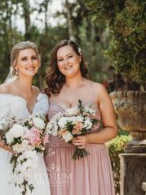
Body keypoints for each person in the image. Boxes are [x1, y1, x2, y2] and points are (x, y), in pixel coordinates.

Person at [0, 41, 51, 195]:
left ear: (39, 62)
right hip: (6, 160)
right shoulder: (4, 90)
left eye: (33, 58)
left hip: (34, 161)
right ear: (15, 64)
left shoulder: (39, 94)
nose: (30, 63)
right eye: (24, 59)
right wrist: (15, 148)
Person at [44, 39, 118, 195]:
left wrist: (88, 139)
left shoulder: (98, 90)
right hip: (58, 161)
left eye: (69, 56)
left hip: (90, 161)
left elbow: (112, 130)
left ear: (79, 57)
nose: (66, 62)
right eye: (60, 59)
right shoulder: (50, 93)